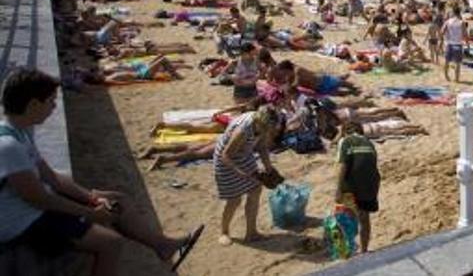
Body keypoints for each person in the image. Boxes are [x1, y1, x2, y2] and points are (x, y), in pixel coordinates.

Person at [0, 67, 203, 274]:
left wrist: (92, 198)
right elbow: (41, 199)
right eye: (50, 101)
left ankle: (162, 245)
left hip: (33, 211)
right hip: (23, 224)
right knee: (111, 243)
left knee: (117, 200)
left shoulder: (20, 133)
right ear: (33, 104)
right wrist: (90, 213)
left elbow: (51, 177)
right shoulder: (9, 147)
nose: (53, 107)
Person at [213, 104, 284, 246]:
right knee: (234, 200)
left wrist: (269, 167)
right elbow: (225, 155)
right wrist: (242, 173)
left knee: (255, 190)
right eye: (270, 128)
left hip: (244, 155)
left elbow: (262, 147)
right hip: (226, 162)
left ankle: (251, 233)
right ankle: (224, 232)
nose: (270, 131)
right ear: (261, 123)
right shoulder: (243, 130)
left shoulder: (262, 125)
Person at [335, 121, 380, 253]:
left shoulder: (346, 141)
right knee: (364, 218)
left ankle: (345, 249)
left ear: (345, 132)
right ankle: (364, 249)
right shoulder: (369, 143)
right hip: (371, 184)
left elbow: (343, 166)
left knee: (345, 217)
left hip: (353, 185)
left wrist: (338, 189)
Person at [441, 5, 466, 83]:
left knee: (447, 61)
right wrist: (467, 44)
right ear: (459, 13)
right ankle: (456, 79)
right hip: (458, 44)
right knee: (457, 63)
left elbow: (442, 31)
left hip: (449, 43)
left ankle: (446, 77)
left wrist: (446, 37)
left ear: (453, 12)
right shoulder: (462, 22)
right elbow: (465, 34)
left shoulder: (448, 21)